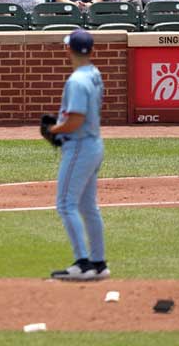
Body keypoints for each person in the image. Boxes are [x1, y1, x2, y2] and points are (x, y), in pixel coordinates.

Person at [46, 29, 109, 282]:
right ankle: (98, 262)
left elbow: (75, 120)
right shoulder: (94, 74)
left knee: (65, 204)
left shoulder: (76, 81)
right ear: (91, 51)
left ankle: (83, 263)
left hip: (80, 146)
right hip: (94, 144)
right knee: (87, 207)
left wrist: (54, 130)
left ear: (68, 50)